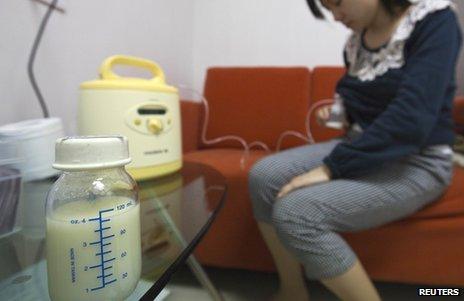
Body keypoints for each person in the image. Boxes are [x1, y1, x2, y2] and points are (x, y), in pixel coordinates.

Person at [248, 0, 462, 300]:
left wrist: (330, 168)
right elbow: (359, 104)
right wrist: (339, 115)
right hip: (362, 145)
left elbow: (412, 118)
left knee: (296, 213)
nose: (335, 16)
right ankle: (292, 290)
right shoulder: (355, 43)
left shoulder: (433, 21)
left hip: (418, 159)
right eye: (328, 9)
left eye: (337, 3)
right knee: (263, 175)